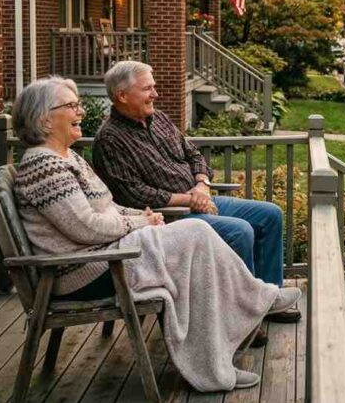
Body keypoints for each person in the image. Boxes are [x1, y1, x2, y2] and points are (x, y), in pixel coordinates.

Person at [10, 77, 301, 391]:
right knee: (197, 233)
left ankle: (246, 316)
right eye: (71, 106)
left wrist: (141, 217)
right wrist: (141, 223)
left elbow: (108, 208)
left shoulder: (68, 158)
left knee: (198, 238)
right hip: (88, 270)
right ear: (45, 119)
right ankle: (244, 322)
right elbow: (86, 227)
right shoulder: (45, 167)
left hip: (109, 254)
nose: (80, 111)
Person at [91, 61, 297, 324]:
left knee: (270, 214)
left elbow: (194, 154)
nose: (155, 94)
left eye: (154, 87)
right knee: (240, 232)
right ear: (122, 95)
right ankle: (243, 318)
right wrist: (190, 200)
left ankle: (269, 301)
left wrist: (202, 185)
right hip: (167, 218)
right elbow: (133, 194)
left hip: (198, 199)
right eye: (147, 89)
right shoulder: (110, 140)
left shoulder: (159, 119)